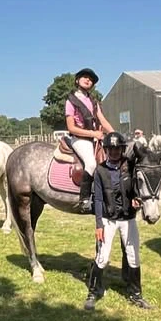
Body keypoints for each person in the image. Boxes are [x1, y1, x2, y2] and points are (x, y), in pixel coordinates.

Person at [85, 131, 149, 310]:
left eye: (117, 149)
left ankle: (136, 294)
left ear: (122, 149)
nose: (114, 152)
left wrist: (136, 199)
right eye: (110, 149)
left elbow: (136, 188)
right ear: (106, 150)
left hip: (128, 219)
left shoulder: (130, 166)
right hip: (108, 219)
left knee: (133, 256)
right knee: (103, 257)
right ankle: (93, 292)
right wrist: (99, 224)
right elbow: (98, 199)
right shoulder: (100, 170)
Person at [65, 68, 115, 213]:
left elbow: (103, 121)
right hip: (80, 139)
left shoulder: (93, 101)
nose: (88, 80)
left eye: (91, 79)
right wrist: (93, 133)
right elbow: (71, 128)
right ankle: (84, 199)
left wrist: (114, 135)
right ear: (77, 80)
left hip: (94, 138)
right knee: (91, 163)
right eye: (85, 77)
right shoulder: (71, 101)